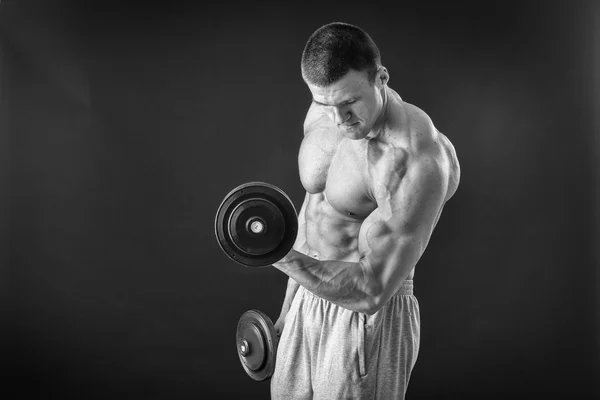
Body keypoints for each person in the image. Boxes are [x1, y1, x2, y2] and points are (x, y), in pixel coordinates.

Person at [270, 22, 460, 400]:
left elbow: (372, 289)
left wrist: (273, 253)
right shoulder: (323, 110)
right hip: (307, 299)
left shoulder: (413, 157)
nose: (339, 120)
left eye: (349, 104)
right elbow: (315, 214)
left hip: (364, 319)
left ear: (381, 78)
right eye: (326, 105)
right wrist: (287, 311)